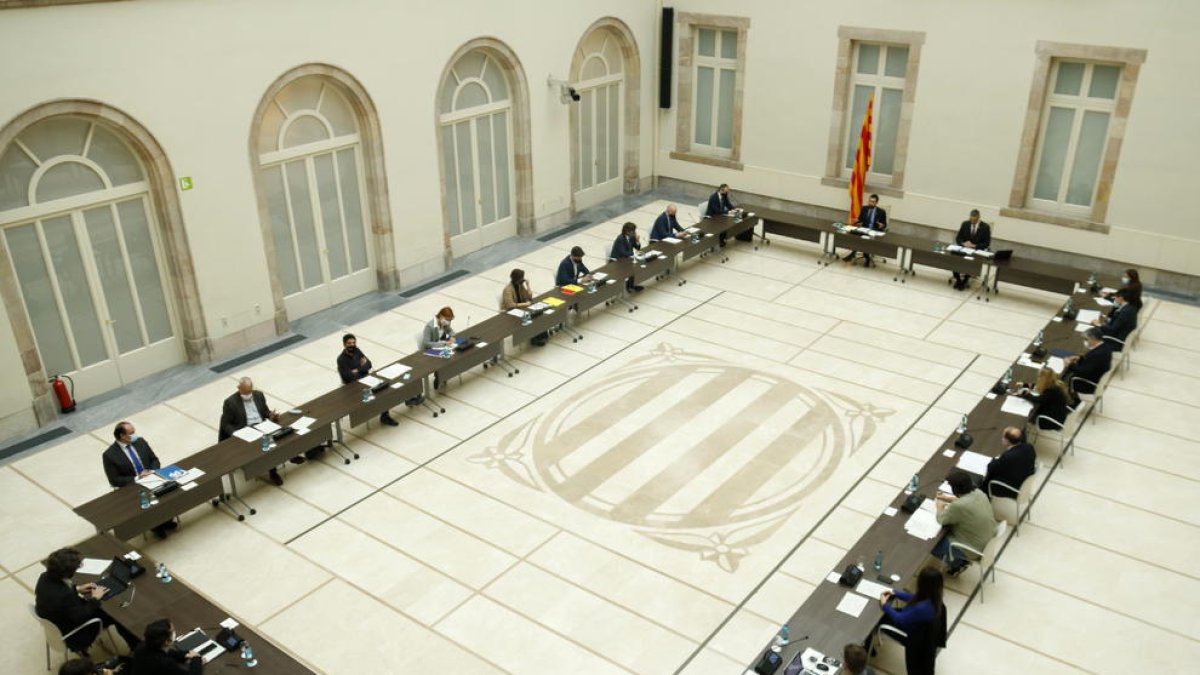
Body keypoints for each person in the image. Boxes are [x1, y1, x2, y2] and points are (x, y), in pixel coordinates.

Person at [35, 548, 140, 655]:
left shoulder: (44, 577)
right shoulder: (65, 596)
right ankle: (136, 648)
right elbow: (81, 616)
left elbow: (58, 592)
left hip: (59, 621)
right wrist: (95, 598)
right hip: (74, 633)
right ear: (67, 573)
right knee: (116, 615)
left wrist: (77, 589)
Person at [102, 421, 176, 539]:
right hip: (132, 485)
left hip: (152, 477)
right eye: (132, 433)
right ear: (122, 436)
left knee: (169, 492)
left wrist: (151, 471)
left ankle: (167, 519)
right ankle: (156, 526)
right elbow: (114, 479)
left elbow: (154, 459)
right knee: (148, 500)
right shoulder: (110, 455)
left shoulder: (140, 442)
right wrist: (138, 478)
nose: (135, 435)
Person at [218, 377, 295, 486]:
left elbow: (265, 412)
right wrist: (236, 434)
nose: (248, 394)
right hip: (246, 430)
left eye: (250, 391)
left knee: (282, 434)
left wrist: (270, 415)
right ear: (239, 388)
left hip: (262, 426)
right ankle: (273, 473)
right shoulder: (230, 403)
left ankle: (291, 456)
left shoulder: (258, 395)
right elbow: (225, 424)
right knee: (266, 446)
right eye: (245, 392)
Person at [877, 566, 946, 675]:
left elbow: (899, 619)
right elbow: (915, 597)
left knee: (879, 618)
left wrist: (885, 605)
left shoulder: (922, 608)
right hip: (917, 627)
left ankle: (868, 648)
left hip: (911, 633)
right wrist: (895, 593)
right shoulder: (935, 598)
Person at [933, 468, 995, 576]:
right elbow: (967, 503)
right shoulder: (979, 493)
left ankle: (958, 564)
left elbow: (942, 519)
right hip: (986, 539)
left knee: (932, 544)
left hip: (972, 548)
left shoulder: (959, 506)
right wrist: (947, 498)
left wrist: (939, 507)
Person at [337, 334, 398, 426]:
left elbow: (369, 364)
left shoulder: (357, 351)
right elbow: (349, 377)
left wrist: (357, 370)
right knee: (376, 392)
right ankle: (381, 413)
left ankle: (385, 416)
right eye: (349, 343)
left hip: (367, 379)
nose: (352, 345)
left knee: (384, 389)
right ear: (344, 344)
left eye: (353, 342)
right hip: (354, 386)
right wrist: (362, 367)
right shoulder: (341, 360)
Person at [981, 426, 1037, 500]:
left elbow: (991, 468)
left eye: (1003, 437)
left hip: (1012, 488)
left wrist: (993, 460)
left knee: (988, 479)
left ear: (1007, 441)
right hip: (1023, 481)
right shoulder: (1029, 447)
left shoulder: (1008, 457)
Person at [130, 619, 202, 675]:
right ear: (167, 641)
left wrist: (185, 655)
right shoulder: (165, 664)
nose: (174, 632)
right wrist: (197, 659)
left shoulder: (142, 646)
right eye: (173, 631)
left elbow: (167, 652)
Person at [1062, 327, 1114, 399]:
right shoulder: (1105, 346)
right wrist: (1080, 358)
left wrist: (1070, 364)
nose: (1085, 342)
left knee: (1066, 377)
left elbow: (1083, 372)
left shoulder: (1097, 355)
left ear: (1093, 338)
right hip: (1097, 376)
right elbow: (1091, 361)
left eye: (1086, 339)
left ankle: (1072, 399)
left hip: (1088, 384)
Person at [502, 269, 548, 346]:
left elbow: (529, 297)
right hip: (513, 312)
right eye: (521, 278)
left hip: (522, 308)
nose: (523, 279)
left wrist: (528, 285)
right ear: (516, 279)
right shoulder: (508, 289)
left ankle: (541, 335)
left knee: (538, 314)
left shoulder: (520, 285)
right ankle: (534, 339)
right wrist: (525, 304)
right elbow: (510, 305)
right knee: (531, 317)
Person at [950, 209, 991, 290]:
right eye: (971, 219)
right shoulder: (965, 224)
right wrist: (963, 243)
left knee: (971, 260)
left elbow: (986, 243)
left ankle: (965, 280)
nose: (972, 222)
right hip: (964, 248)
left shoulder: (985, 227)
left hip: (976, 250)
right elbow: (958, 238)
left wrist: (974, 245)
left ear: (978, 218)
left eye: (974, 220)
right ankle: (958, 280)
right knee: (954, 256)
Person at [843, 193, 887, 266]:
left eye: (873, 202)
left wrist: (881, 225)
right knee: (853, 233)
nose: (871, 203)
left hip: (874, 230)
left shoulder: (881, 212)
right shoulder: (864, 208)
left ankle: (865, 257)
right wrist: (856, 222)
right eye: (870, 201)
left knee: (867, 237)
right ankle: (857, 254)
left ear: (876, 203)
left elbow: (884, 225)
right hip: (863, 229)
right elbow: (859, 220)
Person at [609, 222, 644, 292]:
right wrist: (634, 254)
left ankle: (630, 286)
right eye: (633, 231)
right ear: (627, 231)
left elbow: (637, 248)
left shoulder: (631, 237)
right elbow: (623, 252)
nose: (634, 233)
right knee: (632, 266)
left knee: (634, 265)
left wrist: (637, 241)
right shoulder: (620, 239)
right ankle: (629, 286)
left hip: (626, 258)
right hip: (617, 261)